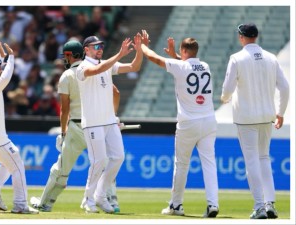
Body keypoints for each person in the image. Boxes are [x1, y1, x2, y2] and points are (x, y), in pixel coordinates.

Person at [29, 40, 121, 213]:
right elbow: (115, 92)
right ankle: (112, 201)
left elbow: (64, 109)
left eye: (66, 56)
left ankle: (45, 203)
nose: (65, 59)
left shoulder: (68, 75)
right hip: (98, 124)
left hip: (78, 126)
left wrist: (63, 132)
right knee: (104, 163)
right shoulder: (94, 69)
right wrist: (113, 117)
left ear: (70, 55)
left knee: (61, 169)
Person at [139, 30, 219, 218]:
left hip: (188, 122)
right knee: (209, 163)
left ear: (183, 50)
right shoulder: (205, 66)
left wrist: (142, 45)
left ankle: (176, 205)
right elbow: (187, 66)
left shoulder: (180, 67)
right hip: (208, 121)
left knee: (181, 164)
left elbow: (154, 58)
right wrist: (175, 56)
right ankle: (213, 204)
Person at [221, 23, 289, 219]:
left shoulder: (237, 58)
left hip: (246, 118)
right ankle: (270, 204)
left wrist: (225, 99)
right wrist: (280, 112)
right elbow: (285, 88)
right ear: (256, 36)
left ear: (242, 37)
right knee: (264, 158)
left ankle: (259, 206)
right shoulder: (271, 58)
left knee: (252, 160)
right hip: (267, 116)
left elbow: (227, 89)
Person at [76, 35, 143, 213]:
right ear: (86, 49)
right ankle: (87, 199)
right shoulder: (82, 67)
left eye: (101, 45)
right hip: (92, 123)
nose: (99, 48)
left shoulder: (107, 64)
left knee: (118, 157)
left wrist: (139, 50)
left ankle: (100, 195)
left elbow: (134, 66)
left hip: (109, 121)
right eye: (95, 46)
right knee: (99, 161)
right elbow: (97, 70)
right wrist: (120, 54)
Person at [0, 41, 39, 214]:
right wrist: (11, 57)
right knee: (17, 166)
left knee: (8, 162)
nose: (0, 70)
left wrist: (1, 57)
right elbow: (6, 77)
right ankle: (20, 205)